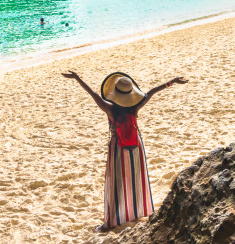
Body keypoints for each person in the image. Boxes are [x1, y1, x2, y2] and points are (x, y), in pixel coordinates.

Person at [61, 70, 188, 231]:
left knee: (116, 181)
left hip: (118, 147)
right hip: (136, 145)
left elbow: (92, 93)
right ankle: (137, 211)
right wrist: (171, 82)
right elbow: (151, 92)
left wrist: (77, 78)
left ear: (115, 93)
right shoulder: (135, 106)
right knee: (136, 178)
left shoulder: (110, 108)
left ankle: (111, 221)